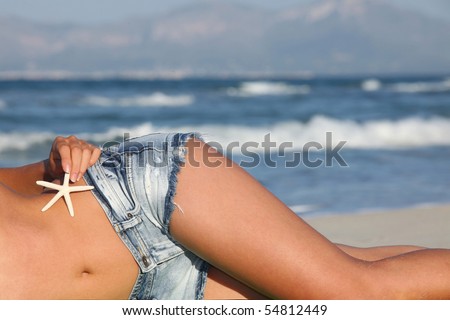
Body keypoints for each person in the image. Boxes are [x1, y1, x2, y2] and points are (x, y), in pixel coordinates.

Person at [0, 132, 449, 300]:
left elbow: (21, 179)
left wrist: (58, 154)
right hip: (149, 294)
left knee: (353, 295)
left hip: (135, 196)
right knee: (358, 265)